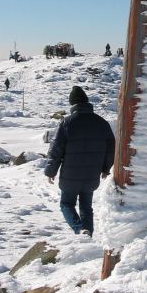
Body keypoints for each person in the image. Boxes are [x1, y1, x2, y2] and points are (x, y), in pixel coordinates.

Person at [44, 86, 115, 237]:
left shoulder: (66, 123)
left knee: (66, 204)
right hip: (91, 175)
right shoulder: (102, 123)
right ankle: (87, 234)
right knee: (86, 207)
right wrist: (105, 168)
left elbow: (56, 149)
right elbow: (110, 149)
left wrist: (51, 171)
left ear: (72, 104)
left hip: (70, 175)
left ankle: (79, 229)